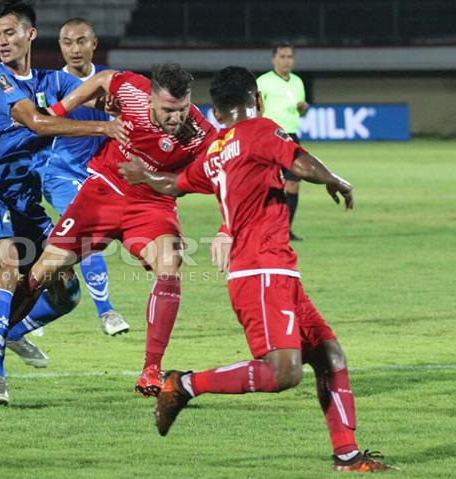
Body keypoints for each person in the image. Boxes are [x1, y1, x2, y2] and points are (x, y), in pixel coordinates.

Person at [118, 66, 394, 472]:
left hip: (276, 270)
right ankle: (184, 384)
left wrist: (145, 175)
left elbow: (175, 184)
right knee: (284, 373)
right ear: (258, 101)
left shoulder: (216, 152)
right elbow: (298, 162)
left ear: (215, 113)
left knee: (331, 355)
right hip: (260, 269)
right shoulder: (261, 129)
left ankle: (348, 456)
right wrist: (336, 180)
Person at [0, 0, 127, 405]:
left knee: (66, 289)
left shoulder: (54, 81)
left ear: (30, 35)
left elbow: (100, 91)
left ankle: (10, 332)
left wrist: (130, 106)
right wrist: (105, 127)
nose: (2, 41)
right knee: (7, 273)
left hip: (27, 201)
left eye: (10, 32)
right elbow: (37, 121)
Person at [17, 63, 218, 398]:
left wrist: (159, 181)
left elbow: (215, 175)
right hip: (104, 190)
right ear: (152, 100)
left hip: (152, 204)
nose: (176, 118)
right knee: (46, 268)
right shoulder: (133, 92)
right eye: (168, 110)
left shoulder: (200, 133)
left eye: (182, 109)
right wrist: (57, 110)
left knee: (171, 263)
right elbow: (103, 79)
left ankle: (151, 369)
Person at [33, 17, 130, 337]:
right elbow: (43, 126)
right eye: (67, 43)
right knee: (88, 237)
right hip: (60, 172)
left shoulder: (110, 82)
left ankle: (25, 313)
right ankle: (107, 312)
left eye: (81, 41)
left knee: (64, 251)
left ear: (94, 43)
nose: (75, 49)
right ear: (60, 46)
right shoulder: (49, 84)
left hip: (101, 175)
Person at [257, 42, 308, 240]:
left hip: (292, 137)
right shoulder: (263, 82)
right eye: (282, 56)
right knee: (269, 185)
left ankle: (286, 229)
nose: (286, 60)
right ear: (274, 59)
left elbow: (299, 112)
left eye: (290, 57)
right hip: (270, 137)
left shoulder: (297, 82)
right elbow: (256, 110)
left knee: (294, 183)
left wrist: (303, 108)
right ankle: (264, 227)